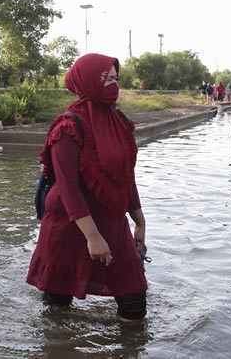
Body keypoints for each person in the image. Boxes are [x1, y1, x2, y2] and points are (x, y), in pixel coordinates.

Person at [27, 53, 148, 322]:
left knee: (134, 302)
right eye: (109, 80)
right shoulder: (68, 125)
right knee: (57, 308)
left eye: (117, 80)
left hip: (111, 216)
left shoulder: (120, 123)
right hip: (70, 223)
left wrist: (139, 219)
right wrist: (92, 236)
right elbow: (68, 187)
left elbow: (126, 174)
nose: (115, 87)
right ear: (91, 81)